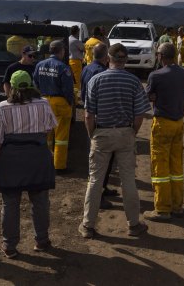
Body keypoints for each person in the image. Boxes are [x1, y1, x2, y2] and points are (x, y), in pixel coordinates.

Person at [79, 43, 151, 238]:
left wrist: (92, 134)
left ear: (108, 59)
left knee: (95, 180)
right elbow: (140, 113)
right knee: (128, 180)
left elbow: (88, 114)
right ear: (125, 60)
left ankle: (88, 226)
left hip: (101, 134)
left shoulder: (96, 80)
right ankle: (133, 224)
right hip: (125, 133)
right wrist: (132, 132)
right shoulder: (134, 82)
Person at [0, 70, 58, 259]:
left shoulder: (2, 107)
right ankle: (42, 241)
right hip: (38, 159)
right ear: (31, 85)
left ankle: (10, 245)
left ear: (10, 87)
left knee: (10, 204)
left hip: (11, 162)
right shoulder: (43, 103)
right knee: (40, 202)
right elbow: (50, 128)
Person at [143, 43, 184, 221]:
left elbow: (147, 96)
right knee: (176, 165)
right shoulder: (183, 73)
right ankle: (177, 206)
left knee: (160, 165)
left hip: (162, 124)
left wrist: (154, 96)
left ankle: (162, 208)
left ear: (160, 56)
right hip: (179, 124)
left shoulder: (156, 76)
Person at [79, 43, 118, 209]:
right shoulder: (102, 73)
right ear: (106, 57)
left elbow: (82, 93)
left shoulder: (86, 69)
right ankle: (98, 196)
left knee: (97, 159)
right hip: (100, 119)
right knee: (103, 161)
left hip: (90, 114)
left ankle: (103, 188)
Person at [33, 40, 74, 173]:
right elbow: (68, 89)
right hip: (60, 102)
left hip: (44, 101)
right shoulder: (63, 67)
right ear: (61, 51)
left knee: (46, 134)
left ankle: (45, 162)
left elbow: (36, 83)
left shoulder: (40, 65)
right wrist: (70, 102)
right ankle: (59, 166)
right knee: (61, 137)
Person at [68, 26, 85, 107]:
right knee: (76, 82)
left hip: (69, 61)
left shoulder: (68, 39)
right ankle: (75, 101)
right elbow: (83, 48)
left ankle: (73, 98)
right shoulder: (75, 41)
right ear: (76, 32)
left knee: (71, 81)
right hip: (76, 62)